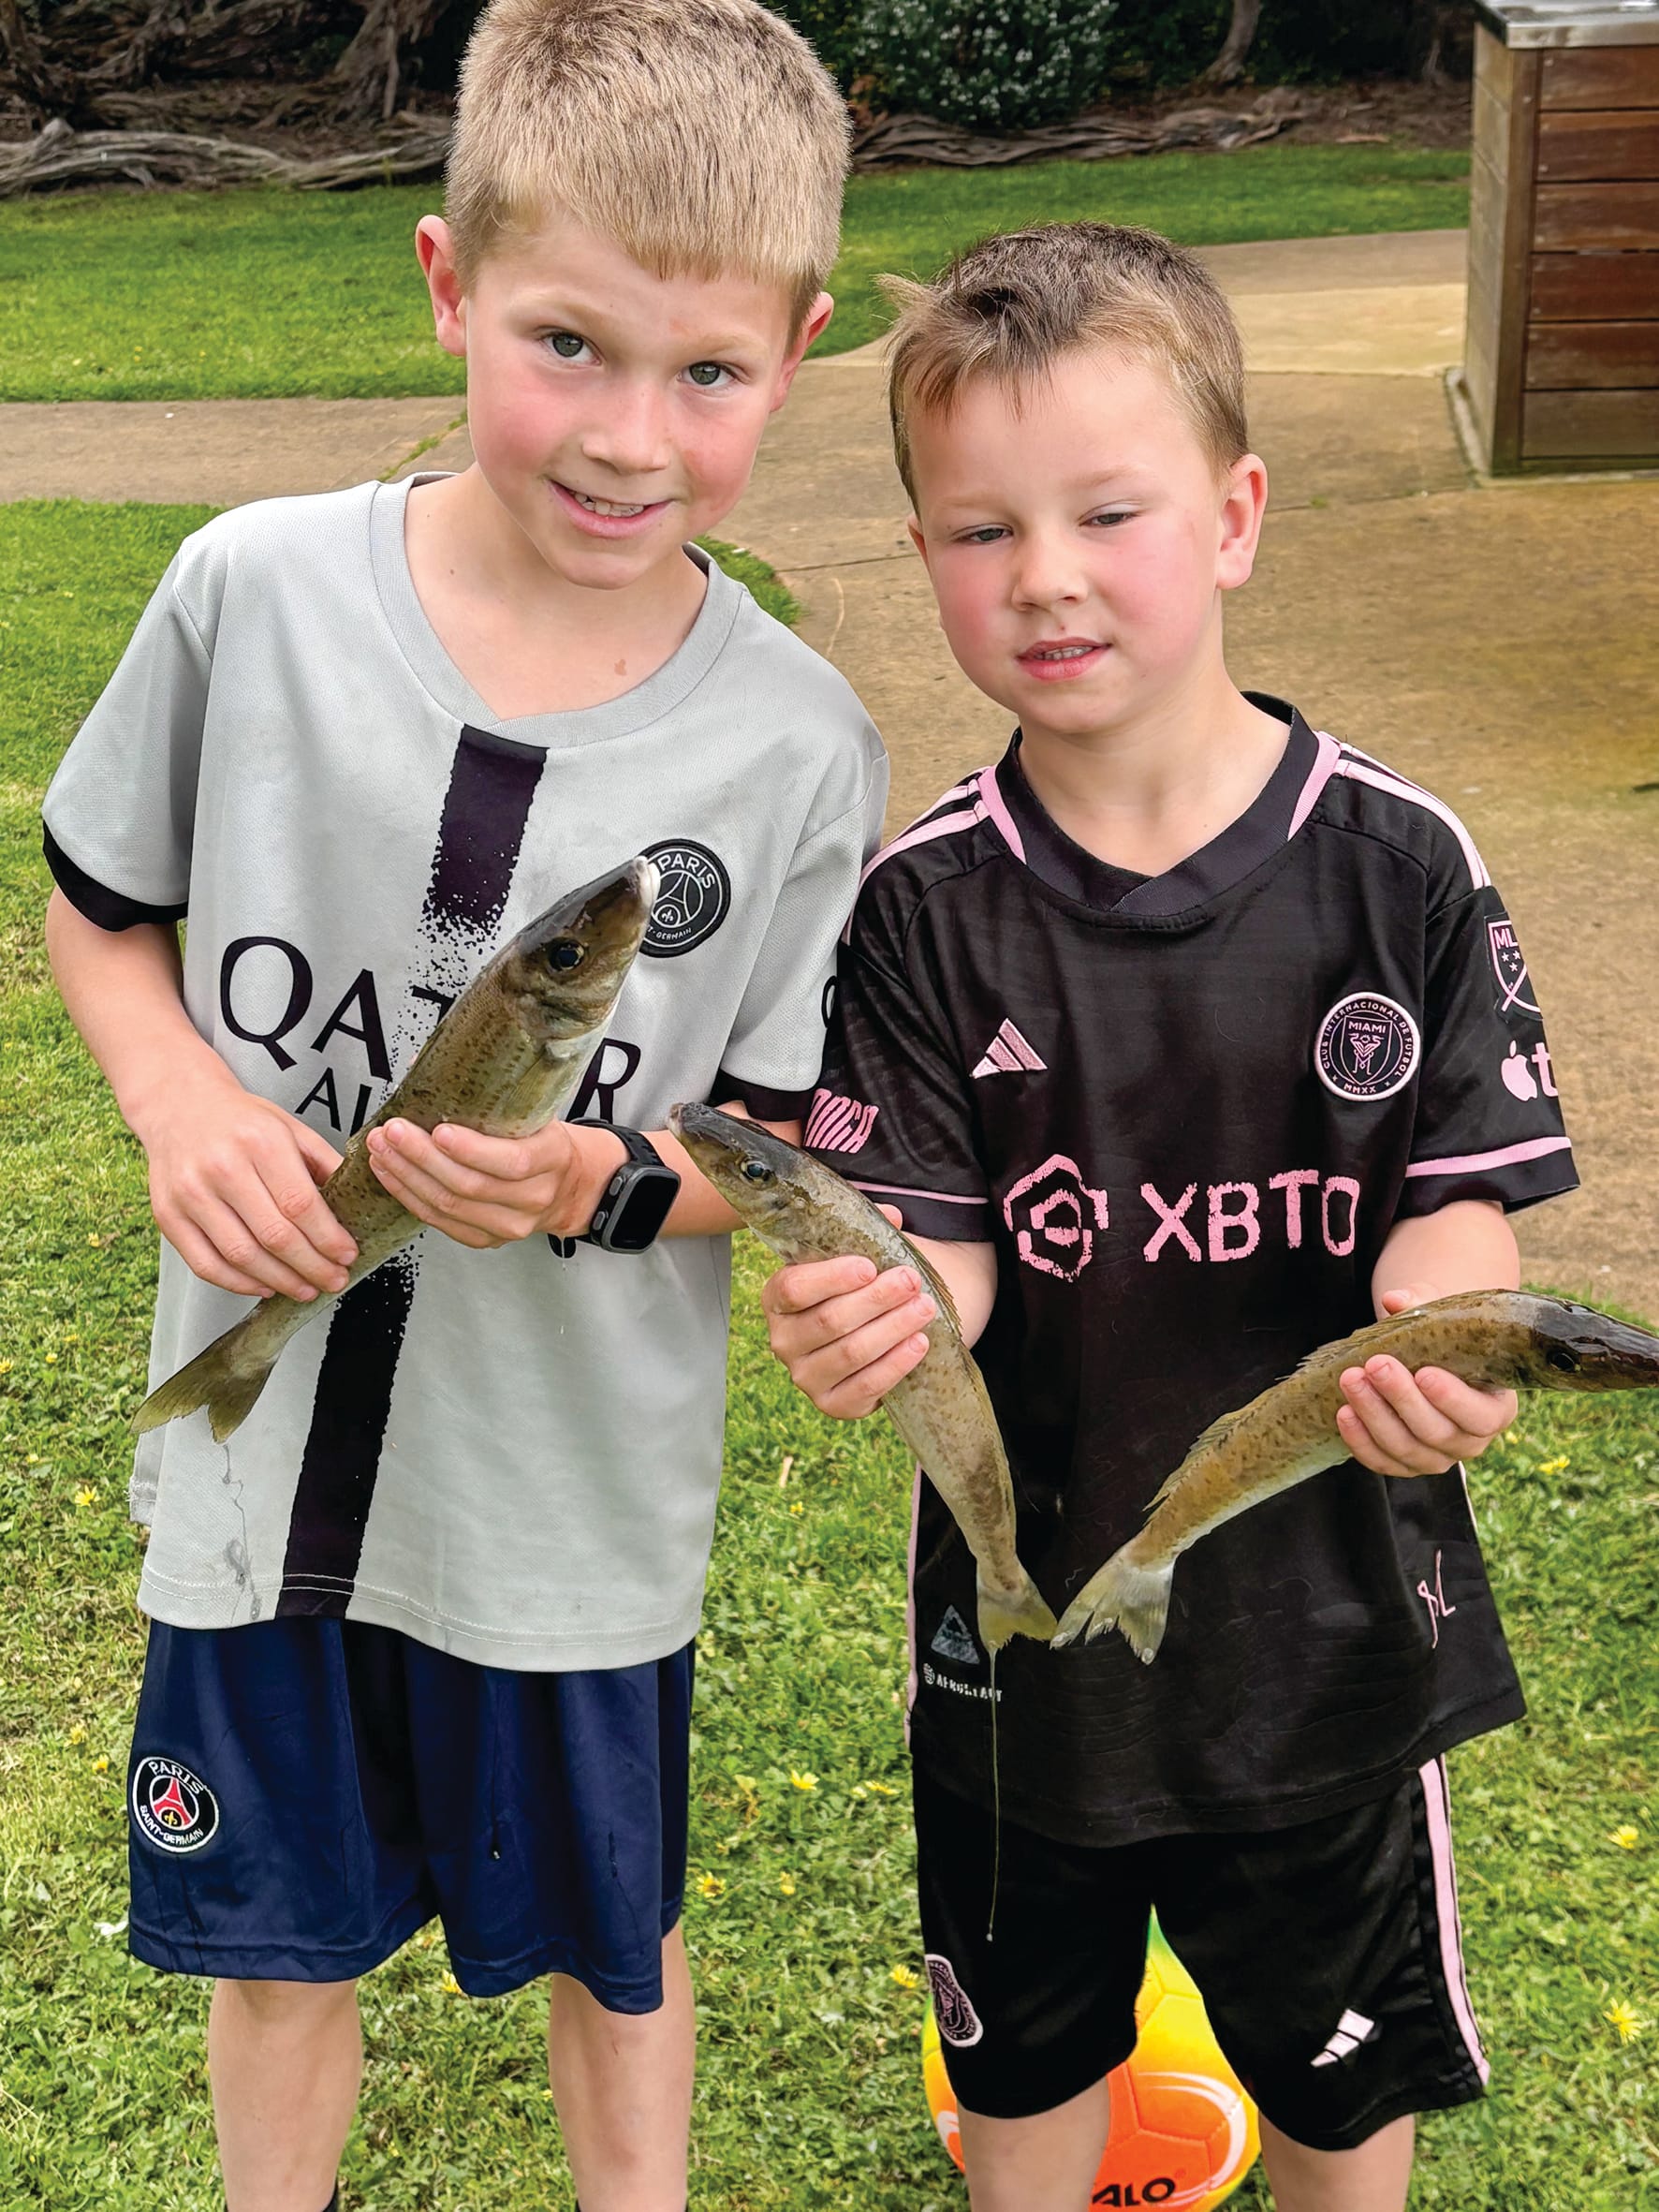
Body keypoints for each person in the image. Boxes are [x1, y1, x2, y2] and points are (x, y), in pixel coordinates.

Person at [41, 5, 884, 2207]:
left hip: (569, 1504)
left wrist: (606, 1179)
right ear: (445, 285)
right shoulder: (252, 590)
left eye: (705, 373)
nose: (628, 436)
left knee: (618, 1952)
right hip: (257, 1489)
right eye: (566, 345)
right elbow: (94, 903)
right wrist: (171, 1103)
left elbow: (768, 1150)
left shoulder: (797, 744)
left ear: (796, 350)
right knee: (278, 1946)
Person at [761, 224, 1577, 2212]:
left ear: (1230, 515)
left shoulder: (1398, 865)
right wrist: (885, 1311)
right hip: (1021, 1654)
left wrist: (1446, 1348)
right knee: (1023, 2067)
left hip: (1326, 1651)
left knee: (1334, 2100)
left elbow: (1460, 1223)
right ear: (924, 550)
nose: (1040, 573)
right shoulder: (924, 907)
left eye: (1104, 510)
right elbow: (934, 1242)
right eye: (975, 530)